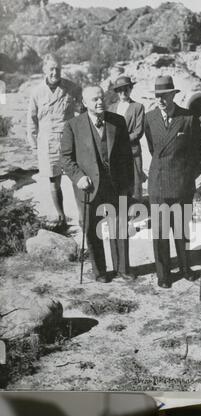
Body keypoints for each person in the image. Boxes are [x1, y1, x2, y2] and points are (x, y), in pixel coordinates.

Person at [61, 86, 135, 283]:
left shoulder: (117, 122)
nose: (99, 102)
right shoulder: (73, 126)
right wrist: (78, 177)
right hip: (88, 188)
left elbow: (128, 156)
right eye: (94, 99)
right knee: (92, 229)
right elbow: (66, 159)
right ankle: (100, 271)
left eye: (101, 98)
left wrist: (129, 184)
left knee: (119, 226)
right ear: (85, 103)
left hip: (115, 185)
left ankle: (123, 268)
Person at [144, 75, 201, 288]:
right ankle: (164, 274)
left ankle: (186, 267)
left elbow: (197, 152)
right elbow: (154, 149)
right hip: (158, 184)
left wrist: (186, 176)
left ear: (173, 95)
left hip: (181, 184)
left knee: (182, 230)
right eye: (157, 96)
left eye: (165, 95)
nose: (161, 100)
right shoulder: (149, 118)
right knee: (160, 233)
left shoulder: (188, 118)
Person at [27, 53, 81, 228]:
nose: (54, 72)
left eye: (57, 68)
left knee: (76, 177)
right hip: (47, 142)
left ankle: (83, 215)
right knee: (53, 180)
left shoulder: (72, 88)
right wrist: (34, 144)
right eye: (51, 68)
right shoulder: (36, 92)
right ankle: (61, 217)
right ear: (44, 69)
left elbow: (84, 110)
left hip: (69, 139)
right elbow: (32, 120)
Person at [109, 76, 146, 202]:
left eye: (126, 89)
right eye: (120, 90)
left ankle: (136, 213)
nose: (123, 92)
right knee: (118, 184)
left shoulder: (138, 107)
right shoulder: (111, 108)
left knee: (135, 184)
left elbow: (138, 131)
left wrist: (121, 140)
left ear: (130, 89)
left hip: (132, 152)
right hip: (115, 153)